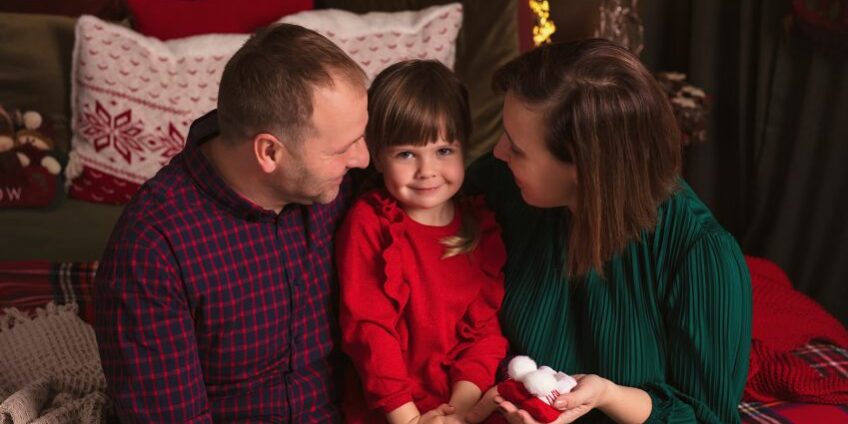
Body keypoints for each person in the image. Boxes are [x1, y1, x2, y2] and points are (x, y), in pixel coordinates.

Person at [463, 39, 752, 424]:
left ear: (584, 168)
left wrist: (610, 396)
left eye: (516, 148)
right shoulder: (501, 185)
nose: (498, 152)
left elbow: (705, 417)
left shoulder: (700, 256)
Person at [93, 23, 370, 422]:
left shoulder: (339, 183)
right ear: (269, 152)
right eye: (344, 148)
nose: (362, 159)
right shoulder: (152, 249)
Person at [335, 60, 510, 424]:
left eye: (443, 150)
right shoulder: (370, 222)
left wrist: (462, 410)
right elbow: (368, 330)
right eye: (406, 154)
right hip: (390, 410)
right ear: (377, 157)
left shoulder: (481, 225)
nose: (427, 170)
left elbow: (484, 335)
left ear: (465, 147)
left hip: (462, 405)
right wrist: (409, 419)